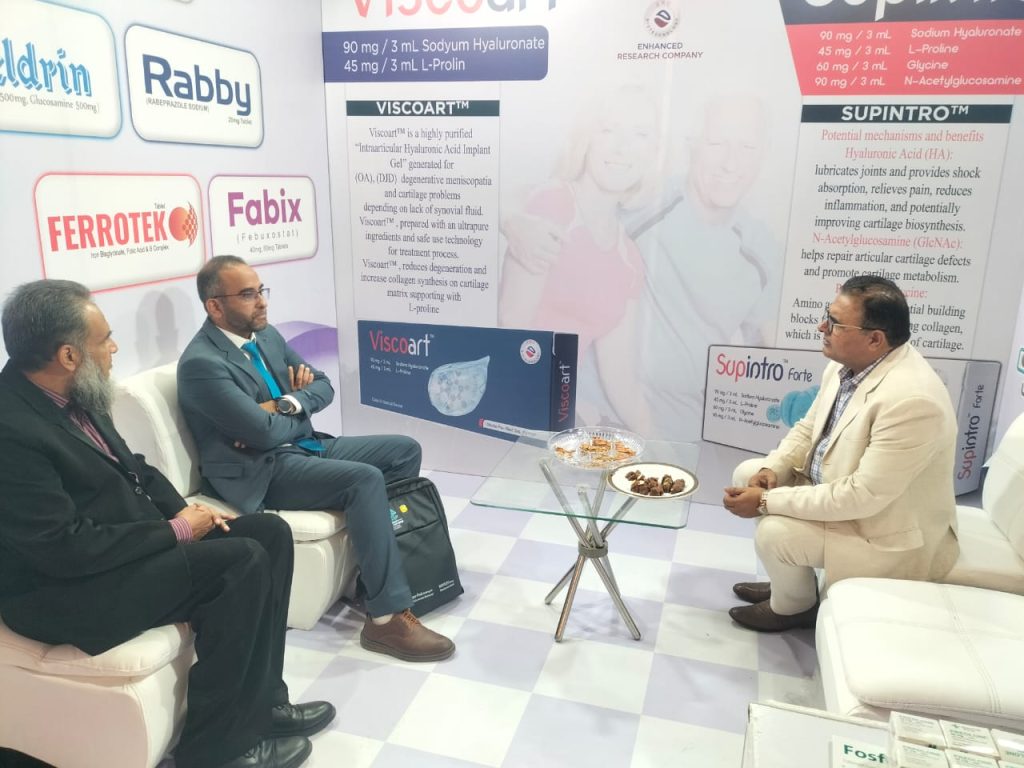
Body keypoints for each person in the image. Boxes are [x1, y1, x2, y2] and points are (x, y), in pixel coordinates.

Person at [0, 279, 333, 768]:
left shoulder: (73, 390)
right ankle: (216, 751)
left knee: (269, 533)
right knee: (238, 562)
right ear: (68, 356)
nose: (114, 349)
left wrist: (184, 511)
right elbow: (61, 547)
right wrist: (177, 531)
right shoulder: (11, 429)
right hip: (64, 592)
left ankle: (264, 703)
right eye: (105, 340)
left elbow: (134, 467)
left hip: (117, 554)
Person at [176, 256, 454, 662]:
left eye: (261, 291)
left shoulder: (265, 335)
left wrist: (284, 403)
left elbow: (323, 385)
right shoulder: (202, 364)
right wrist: (277, 416)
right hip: (260, 471)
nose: (262, 302)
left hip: (301, 444)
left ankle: (372, 578)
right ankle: (386, 620)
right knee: (363, 479)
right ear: (215, 306)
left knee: (403, 450)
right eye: (248, 294)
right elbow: (262, 434)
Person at [722, 275, 960, 632]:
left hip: (884, 531)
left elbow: (862, 496)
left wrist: (767, 501)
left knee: (774, 532)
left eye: (834, 323)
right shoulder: (846, 363)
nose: (822, 327)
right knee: (749, 473)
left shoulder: (913, 401)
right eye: (826, 316)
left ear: (875, 339)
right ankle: (793, 588)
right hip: (846, 497)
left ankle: (794, 608)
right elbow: (808, 428)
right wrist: (774, 468)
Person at [498, 83, 661, 432]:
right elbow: (511, 332)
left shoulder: (629, 260)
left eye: (640, 134)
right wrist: (563, 405)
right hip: (518, 412)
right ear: (587, 138)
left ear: (652, 152)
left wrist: (662, 450)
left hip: (560, 416)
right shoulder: (553, 206)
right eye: (608, 129)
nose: (622, 147)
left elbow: (622, 384)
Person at [630, 92, 781, 439]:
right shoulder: (644, 206)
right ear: (692, 145)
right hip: (616, 426)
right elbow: (560, 198)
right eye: (716, 143)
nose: (731, 164)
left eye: (747, 147)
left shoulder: (761, 247)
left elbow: (772, 350)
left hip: (698, 438)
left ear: (765, 152)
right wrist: (513, 220)